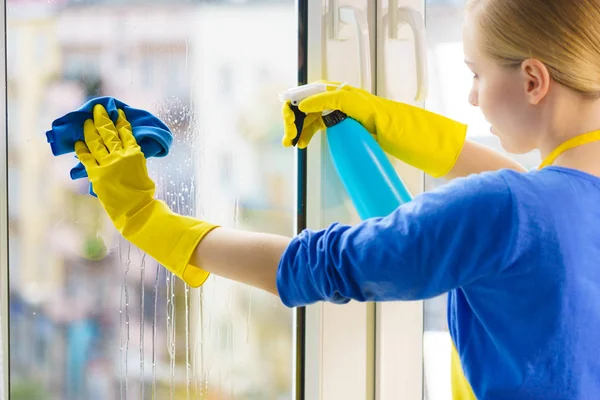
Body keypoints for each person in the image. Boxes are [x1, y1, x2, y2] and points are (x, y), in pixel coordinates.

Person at [72, 0, 600, 398]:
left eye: (476, 74)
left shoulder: (509, 209)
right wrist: (380, 118)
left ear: (533, 80)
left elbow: (319, 264)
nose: (471, 97)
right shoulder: (555, 205)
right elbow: (532, 203)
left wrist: (147, 219)